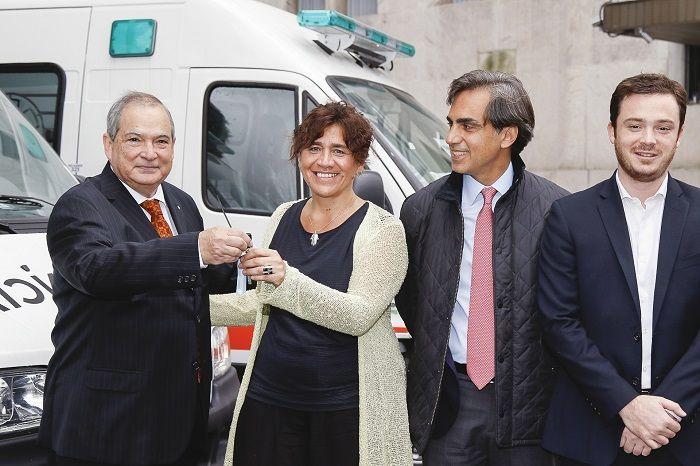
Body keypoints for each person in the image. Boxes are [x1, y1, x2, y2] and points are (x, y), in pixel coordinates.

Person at [39, 91, 251, 466]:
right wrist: (196, 249)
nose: (150, 153)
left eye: (161, 141)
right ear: (109, 144)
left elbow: (192, 282)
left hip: (180, 420)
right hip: (106, 426)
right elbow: (97, 270)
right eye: (135, 140)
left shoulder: (182, 203)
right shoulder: (80, 204)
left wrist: (243, 266)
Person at [209, 101, 412, 466]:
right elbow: (265, 302)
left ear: (359, 162)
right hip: (268, 401)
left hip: (344, 412)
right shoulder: (283, 215)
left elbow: (358, 315)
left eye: (339, 151)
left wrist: (285, 277)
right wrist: (192, 307)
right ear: (299, 155)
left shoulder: (384, 230)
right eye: (314, 148)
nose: (324, 161)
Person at [396, 70, 568, 465]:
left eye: (468, 126)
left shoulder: (556, 210)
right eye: (451, 124)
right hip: (449, 403)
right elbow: (413, 301)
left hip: (530, 411)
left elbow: (566, 312)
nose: (451, 137)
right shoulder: (420, 210)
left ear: (507, 135)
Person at [538, 73, 699, 466]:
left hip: (685, 432)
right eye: (635, 125)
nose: (649, 139)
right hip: (591, 433)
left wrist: (663, 412)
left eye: (663, 127)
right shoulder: (569, 216)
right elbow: (558, 322)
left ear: (679, 135)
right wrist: (626, 404)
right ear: (612, 131)